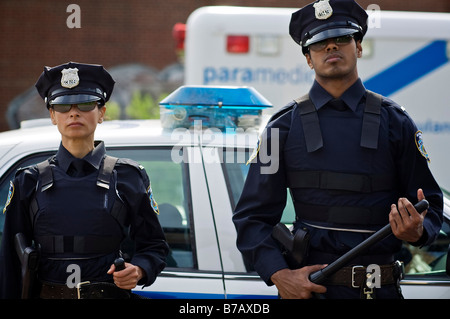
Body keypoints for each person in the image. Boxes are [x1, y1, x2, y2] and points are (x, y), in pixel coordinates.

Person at [232, 0, 443, 299]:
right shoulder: (281, 128)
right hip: (312, 292)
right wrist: (279, 275)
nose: (331, 47)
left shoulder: (396, 122)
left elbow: (431, 205)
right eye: (319, 43)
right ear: (308, 58)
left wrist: (418, 231)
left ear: (358, 47)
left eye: (342, 38)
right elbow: (252, 218)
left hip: (379, 290)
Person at [0, 62, 169, 299]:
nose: (74, 112)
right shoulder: (28, 181)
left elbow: (154, 245)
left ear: (101, 113)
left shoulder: (128, 177)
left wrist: (140, 269)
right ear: (52, 115)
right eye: (62, 105)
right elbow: (10, 262)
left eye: (86, 103)